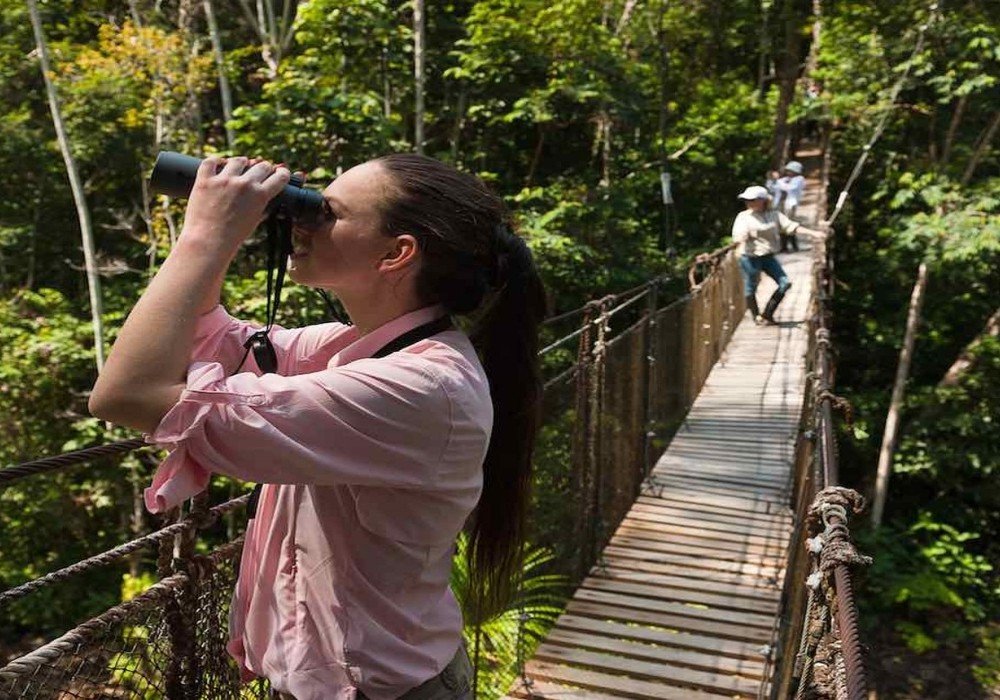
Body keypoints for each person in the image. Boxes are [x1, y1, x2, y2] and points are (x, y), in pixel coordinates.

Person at [89, 154, 548, 700]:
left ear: (396, 254)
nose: (302, 223)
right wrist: (223, 232)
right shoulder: (360, 348)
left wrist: (205, 235)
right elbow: (204, 339)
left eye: (326, 213)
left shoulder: (419, 387)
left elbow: (126, 394)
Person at [731, 185, 822, 325]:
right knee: (751, 287)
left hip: (767, 256)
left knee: (785, 283)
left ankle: (768, 314)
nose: (748, 203)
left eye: (752, 200)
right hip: (750, 257)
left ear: (763, 200)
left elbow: (791, 226)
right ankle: (756, 317)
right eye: (747, 200)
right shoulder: (743, 217)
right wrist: (742, 238)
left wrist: (814, 233)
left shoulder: (774, 215)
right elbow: (738, 236)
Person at [775, 161, 805, 252]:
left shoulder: (799, 179)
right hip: (781, 203)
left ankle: (794, 245)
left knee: (789, 224)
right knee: (781, 224)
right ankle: (783, 246)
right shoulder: (786, 179)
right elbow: (775, 187)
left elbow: (790, 188)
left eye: (790, 171)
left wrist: (780, 183)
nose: (788, 172)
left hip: (790, 204)